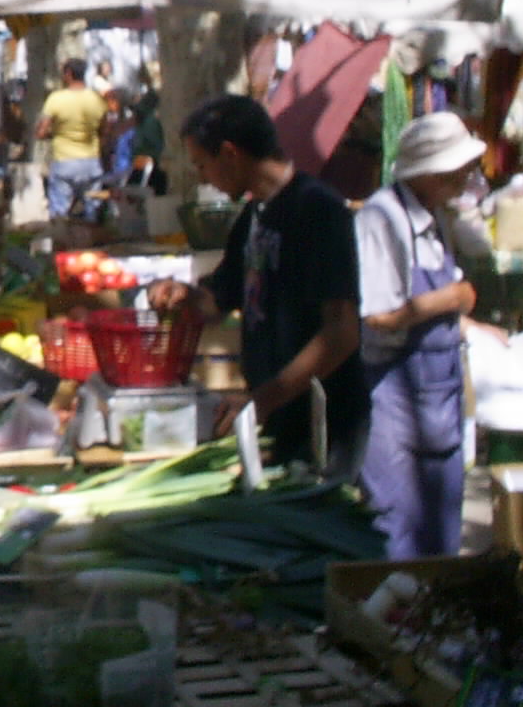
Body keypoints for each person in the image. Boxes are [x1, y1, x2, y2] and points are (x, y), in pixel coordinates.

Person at [149, 96, 365, 475]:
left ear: (230, 153)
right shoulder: (252, 216)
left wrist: (264, 399)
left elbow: (342, 332)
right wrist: (183, 294)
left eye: (203, 164)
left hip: (323, 421)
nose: (202, 177)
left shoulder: (319, 210)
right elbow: (219, 299)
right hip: (277, 419)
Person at [357, 113, 500, 559]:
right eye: (458, 171)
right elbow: (380, 316)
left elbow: (434, 314)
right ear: (432, 174)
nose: (466, 178)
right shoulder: (383, 218)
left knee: (440, 532)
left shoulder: (437, 218)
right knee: (396, 530)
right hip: (393, 397)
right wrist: (453, 298)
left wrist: (472, 327)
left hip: (440, 397)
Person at [36, 58, 108, 221]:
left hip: (64, 161)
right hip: (91, 162)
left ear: (68, 74)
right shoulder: (96, 99)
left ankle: (61, 244)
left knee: (60, 213)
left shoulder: (56, 99)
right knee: (92, 211)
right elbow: (105, 131)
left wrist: (54, 133)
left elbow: (41, 132)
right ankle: (90, 243)